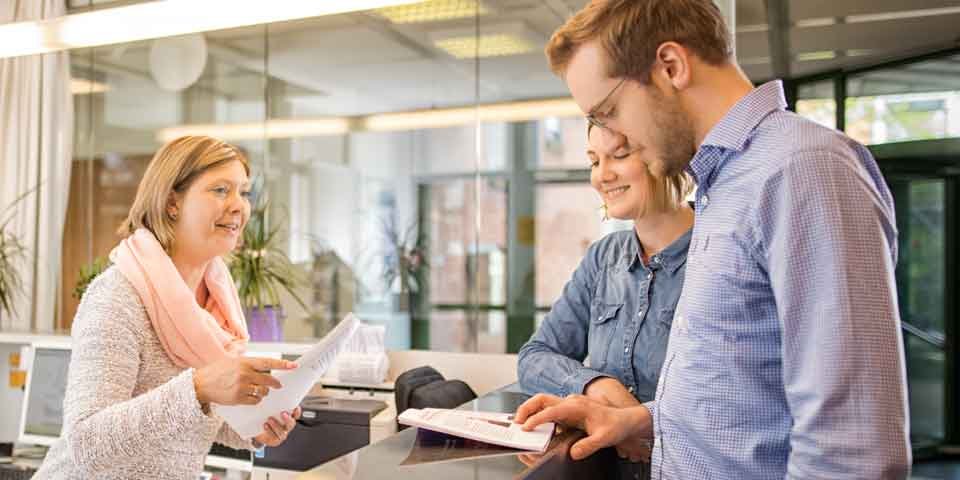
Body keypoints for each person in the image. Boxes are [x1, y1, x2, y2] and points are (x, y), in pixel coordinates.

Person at [515, 1, 910, 478]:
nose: (618, 137)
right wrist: (634, 420)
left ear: (670, 66)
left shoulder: (802, 170)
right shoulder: (724, 188)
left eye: (610, 110)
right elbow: (740, 405)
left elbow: (851, 452)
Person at [36, 136, 301, 479]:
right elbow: (87, 444)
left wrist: (253, 428)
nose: (239, 206)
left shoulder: (217, 302)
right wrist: (198, 386)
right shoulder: (117, 297)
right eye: (221, 190)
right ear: (172, 202)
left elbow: (192, 416)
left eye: (244, 192)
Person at [517, 122, 693, 467]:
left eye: (620, 155)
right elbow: (533, 357)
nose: (602, 176)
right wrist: (598, 386)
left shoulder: (716, 256)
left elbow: (732, 392)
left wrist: (639, 422)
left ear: (667, 158)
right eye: (595, 161)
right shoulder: (605, 257)